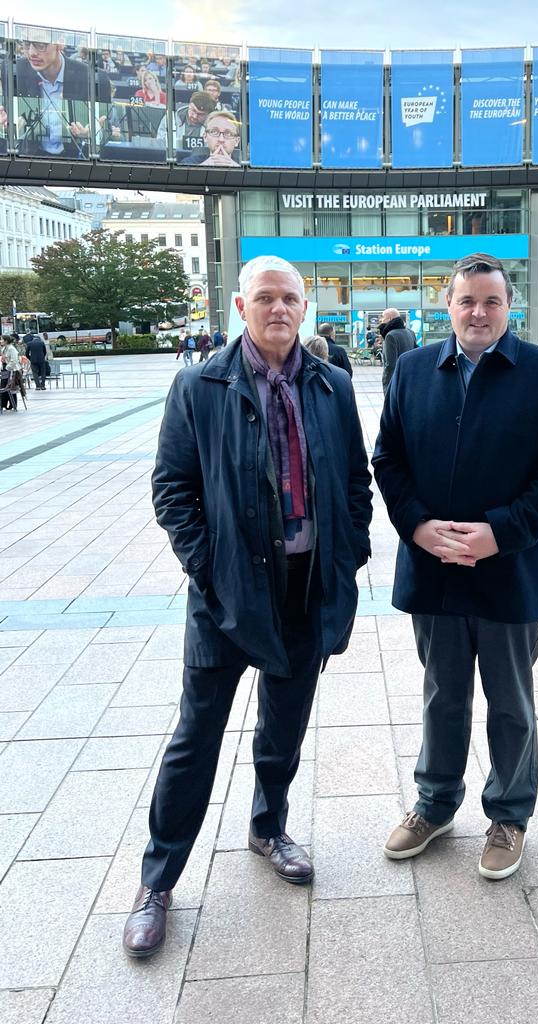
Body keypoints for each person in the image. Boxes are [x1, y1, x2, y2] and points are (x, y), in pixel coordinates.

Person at [122, 255, 372, 958]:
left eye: (290, 298)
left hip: (306, 587)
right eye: (265, 297)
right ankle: (158, 880)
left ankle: (269, 828)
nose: (279, 309)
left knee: (283, 727)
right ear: (240, 306)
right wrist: (206, 566)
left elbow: (355, 479)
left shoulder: (331, 385)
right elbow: (172, 487)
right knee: (195, 738)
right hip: (226, 593)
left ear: (304, 306)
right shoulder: (198, 385)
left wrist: (348, 552)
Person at [372, 252, 538, 880]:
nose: (478, 312)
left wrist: (501, 533)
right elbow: (389, 460)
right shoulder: (411, 370)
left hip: (507, 569)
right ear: (449, 306)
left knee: (511, 701)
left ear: (508, 308)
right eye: (467, 301)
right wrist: (417, 526)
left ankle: (509, 815)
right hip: (434, 568)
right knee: (442, 695)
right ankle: (434, 804)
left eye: (491, 301)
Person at [13, 38, 111, 157]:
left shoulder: (94, 78)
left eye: (41, 44)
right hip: (29, 160)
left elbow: (109, 132)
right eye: (27, 44)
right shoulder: (15, 71)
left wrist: (94, 134)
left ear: (60, 43)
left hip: (77, 161)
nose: (31, 52)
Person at [379, 308, 417, 393]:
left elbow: (391, 364)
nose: (381, 320)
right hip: (409, 377)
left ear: (390, 318)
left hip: (396, 380)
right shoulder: (410, 332)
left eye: (383, 317)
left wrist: (386, 384)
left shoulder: (390, 335)